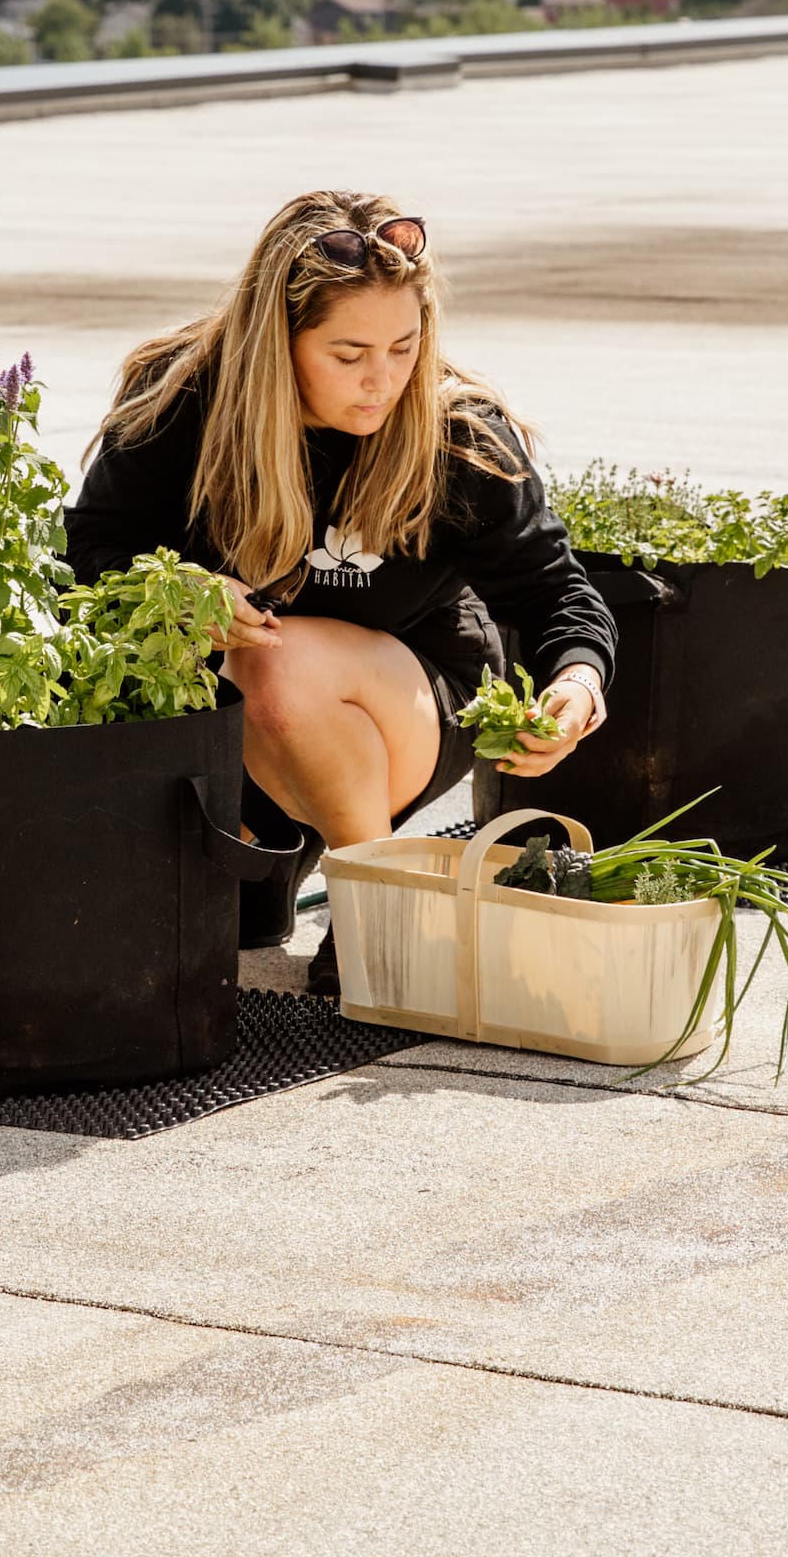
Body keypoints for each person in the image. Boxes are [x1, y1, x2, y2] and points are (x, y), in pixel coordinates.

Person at [65, 189, 616, 983]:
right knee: (225, 920)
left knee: (278, 661)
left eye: (404, 347)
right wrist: (181, 593)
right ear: (276, 342)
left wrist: (578, 683)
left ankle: (383, 905)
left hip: (413, 695)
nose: (382, 381)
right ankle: (279, 841)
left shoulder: (457, 435)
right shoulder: (186, 397)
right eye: (348, 354)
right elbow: (92, 549)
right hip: (231, 716)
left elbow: (558, 591)